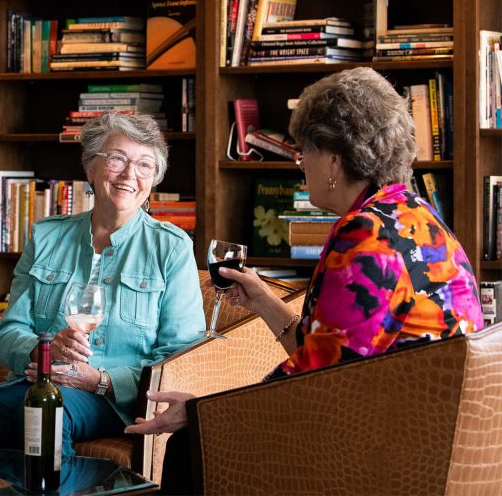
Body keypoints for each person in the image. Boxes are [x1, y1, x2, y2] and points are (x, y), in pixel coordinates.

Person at [126, 68, 483, 490]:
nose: (299, 166)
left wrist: (204, 410)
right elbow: (331, 354)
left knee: (192, 445)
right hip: (426, 437)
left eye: (303, 153)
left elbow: (313, 385)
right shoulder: (413, 215)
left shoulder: (363, 237)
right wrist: (261, 298)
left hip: (380, 451)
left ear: (333, 158)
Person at [0, 112, 204, 458]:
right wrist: (42, 352)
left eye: (145, 166)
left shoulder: (170, 248)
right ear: (90, 167)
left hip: (114, 400)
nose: (130, 175)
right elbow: (10, 331)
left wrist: (101, 380)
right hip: (40, 384)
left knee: (46, 415)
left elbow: (179, 354)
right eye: (117, 159)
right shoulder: (47, 236)